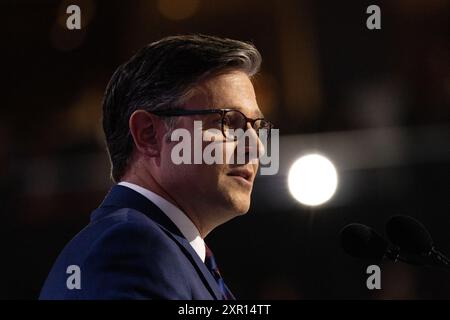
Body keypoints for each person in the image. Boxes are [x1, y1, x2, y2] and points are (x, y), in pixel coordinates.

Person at [39, 34, 272, 299]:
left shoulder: (164, 249)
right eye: (230, 122)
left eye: (258, 127)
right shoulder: (131, 246)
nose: (257, 148)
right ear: (148, 134)